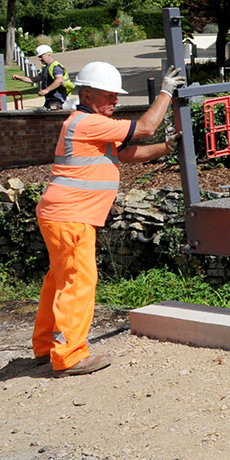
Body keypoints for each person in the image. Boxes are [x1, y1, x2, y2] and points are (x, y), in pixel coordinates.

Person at [33, 61, 183, 375]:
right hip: (71, 216)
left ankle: (46, 346)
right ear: (87, 95)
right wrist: (166, 92)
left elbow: (127, 154)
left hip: (62, 214)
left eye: (117, 96)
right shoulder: (88, 123)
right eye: (109, 96)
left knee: (59, 281)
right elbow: (144, 128)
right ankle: (69, 355)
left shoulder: (87, 123)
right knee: (78, 282)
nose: (115, 102)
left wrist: (165, 149)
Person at [13, 44, 73, 111]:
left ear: (48, 54)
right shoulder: (46, 68)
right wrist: (20, 77)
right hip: (49, 99)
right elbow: (35, 79)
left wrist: (46, 90)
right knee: (44, 114)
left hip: (57, 99)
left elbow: (59, 80)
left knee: (54, 113)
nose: (40, 59)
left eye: (41, 56)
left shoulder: (56, 67)